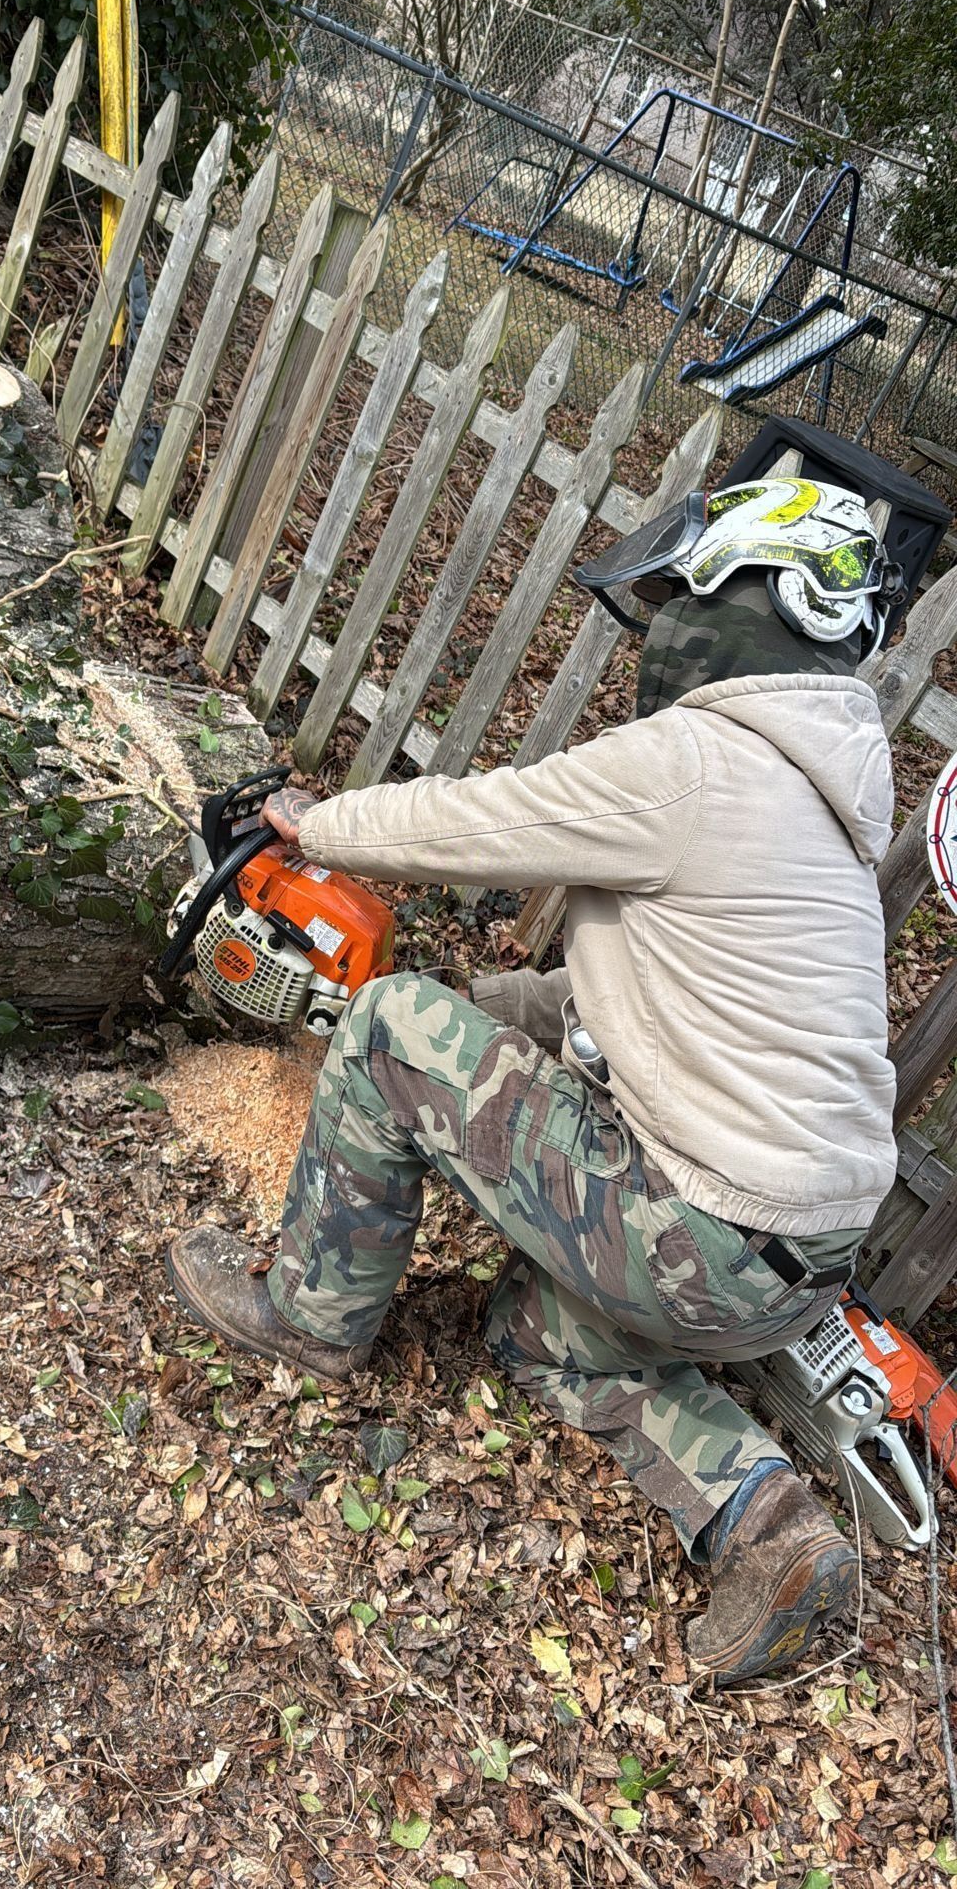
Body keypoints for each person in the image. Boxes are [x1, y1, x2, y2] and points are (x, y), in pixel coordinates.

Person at [166, 478, 904, 1686]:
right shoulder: (821, 803)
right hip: (799, 1269)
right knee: (537, 1330)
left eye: (677, 596)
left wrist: (320, 825)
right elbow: (647, 1006)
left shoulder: (701, 759)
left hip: (705, 1234)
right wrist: (487, 1003)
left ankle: (306, 1315)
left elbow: (473, 822)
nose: (661, 623)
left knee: (399, 1029)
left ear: (750, 606)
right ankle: (772, 1527)